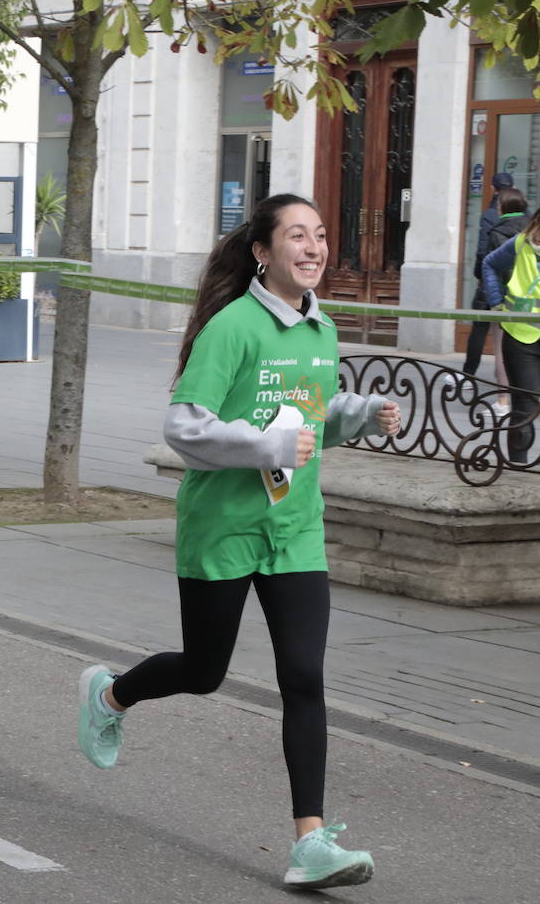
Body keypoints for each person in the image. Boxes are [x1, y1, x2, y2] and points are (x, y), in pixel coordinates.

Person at [76, 194, 401, 890]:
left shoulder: (321, 329)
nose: (312, 248)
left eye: (320, 235)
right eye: (296, 236)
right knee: (204, 670)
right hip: (222, 527)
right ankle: (110, 696)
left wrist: (362, 415)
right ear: (262, 251)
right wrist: (269, 444)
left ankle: (309, 843)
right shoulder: (234, 328)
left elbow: (313, 417)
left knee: (304, 678)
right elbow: (184, 427)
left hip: (293, 529)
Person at [481, 200, 540, 464]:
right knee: (525, 407)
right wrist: (496, 302)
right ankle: (518, 467)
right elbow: (489, 264)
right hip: (520, 337)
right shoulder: (519, 243)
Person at [464, 178, 525, 410]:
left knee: (501, 350)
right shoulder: (531, 230)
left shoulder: (496, 229)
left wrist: (494, 298)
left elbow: (487, 263)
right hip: (531, 305)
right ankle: (526, 398)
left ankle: (502, 401)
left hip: (507, 300)